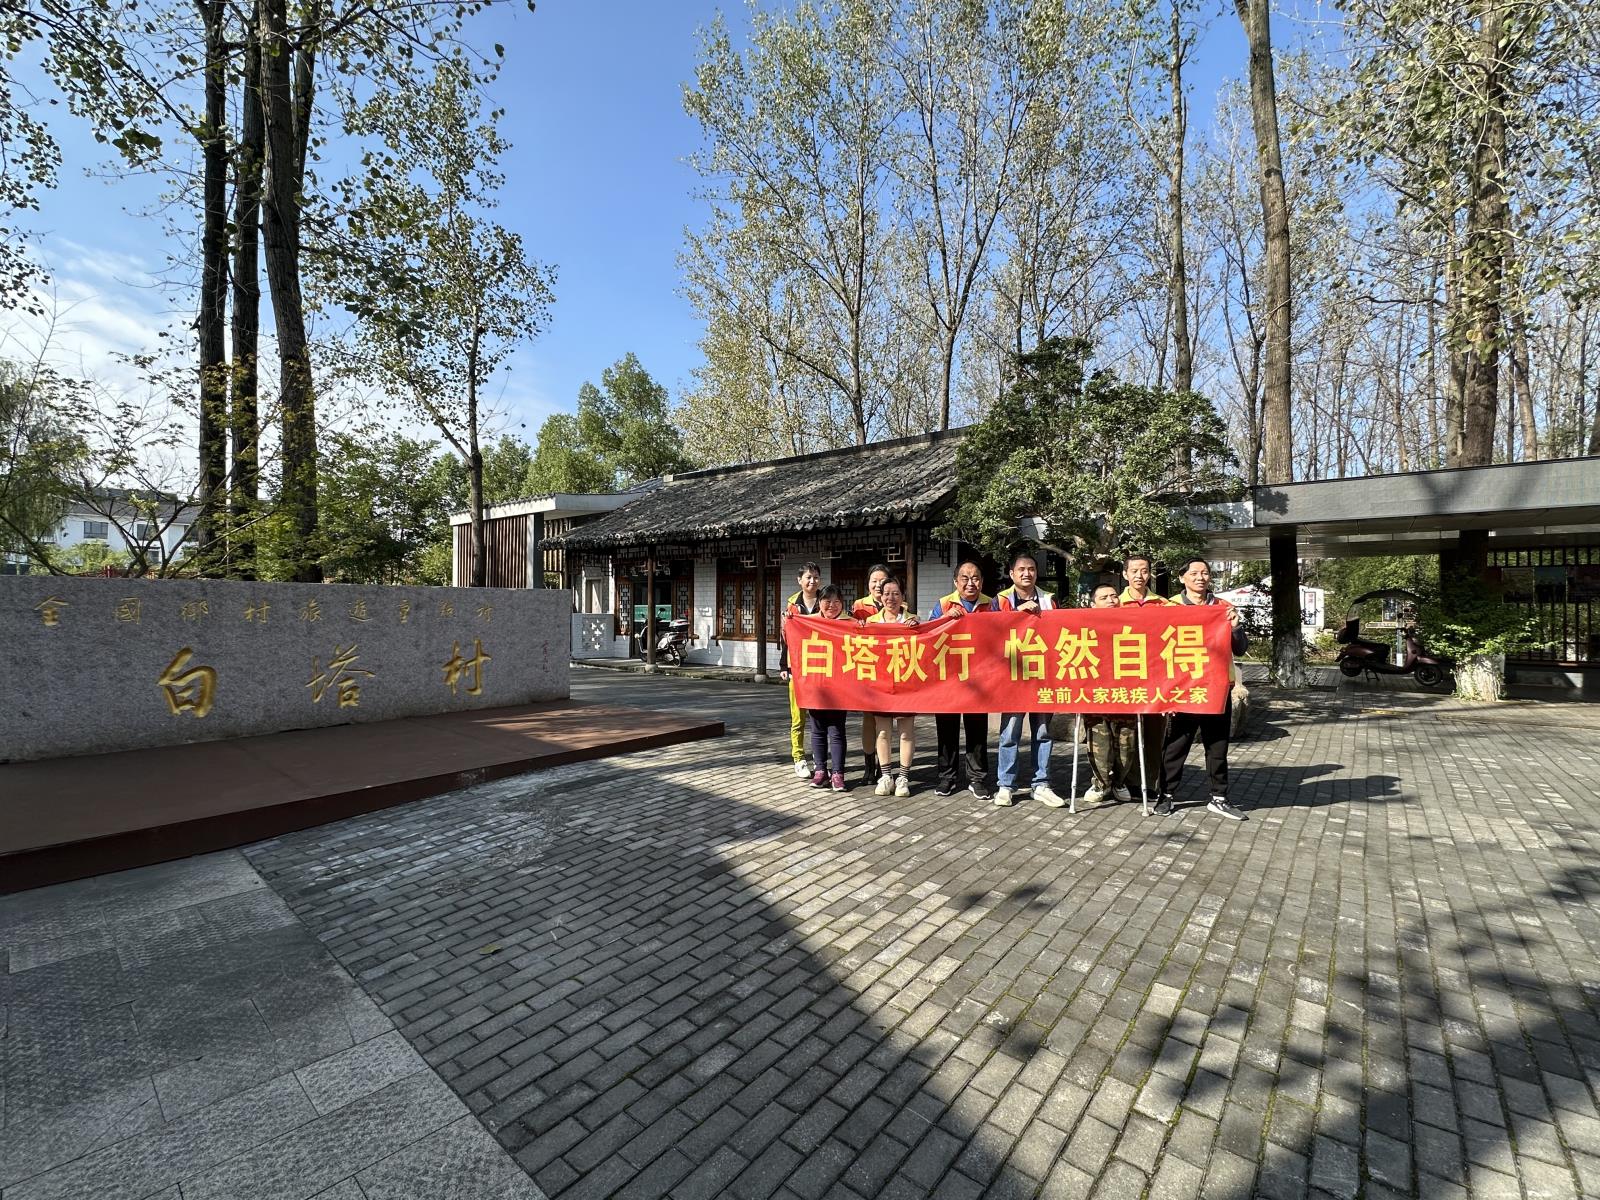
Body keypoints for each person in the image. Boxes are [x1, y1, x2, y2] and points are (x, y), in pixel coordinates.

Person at [1157, 558, 1250, 820]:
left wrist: (1235, 627)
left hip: (1217, 688)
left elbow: (1240, 648)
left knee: (1217, 746)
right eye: (1194, 573)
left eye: (1205, 573)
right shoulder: (1169, 608)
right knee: (1176, 745)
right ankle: (1166, 795)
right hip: (1182, 689)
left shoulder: (1223, 607)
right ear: (1182, 577)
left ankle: (1219, 797)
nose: (1200, 577)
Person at [992, 553, 1065, 808]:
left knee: (1043, 732)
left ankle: (1041, 784)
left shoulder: (1049, 600)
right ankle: (1005, 785)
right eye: (1021, 569)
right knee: (1010, 732)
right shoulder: (1000, 601)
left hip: (1043, 677)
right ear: (1011, 573)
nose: (1027, 573)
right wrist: (1015, 614)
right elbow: (990, 634)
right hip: (1011, 678)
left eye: (1031, 569)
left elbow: (1061, 634)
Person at [930, 561, 993, 800]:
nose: (970, 582)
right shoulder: (943, 604)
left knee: (977, 730)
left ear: (982, 581)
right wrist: (945, 618)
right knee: (946, 730)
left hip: (979, 679)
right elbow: (929, 635)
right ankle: (947, 777)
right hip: (949, 679)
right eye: (965, 578)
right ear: (956, 582)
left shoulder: (992, 604)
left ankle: (977, 779)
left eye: (975, 577)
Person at [1118, 553, 1172, 805]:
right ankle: (1125, 781)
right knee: (1126, 734)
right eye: (1134, 571)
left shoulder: (1163, 604)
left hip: (1154, 679)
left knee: (1153, 733)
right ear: (1124, 574)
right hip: (1123, 678)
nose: (1139, 576)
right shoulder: (1114, 605)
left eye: (1144, 571)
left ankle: (1150, 782)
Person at [1080, 583, 1139, 806]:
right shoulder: (1083, 627)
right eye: (1104, 597)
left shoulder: (1131, 625)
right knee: (1099, 743)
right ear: (1093, 604)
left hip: (1125, 694)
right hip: (1095, 695)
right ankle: (1100, 783)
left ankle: (1119, 782)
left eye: (1114, 596)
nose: (1111, 600)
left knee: (1126, 743)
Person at [867, 578, 918, 798]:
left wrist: (918, 628)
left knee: (906, 732)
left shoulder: (913, 620)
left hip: (907, 683)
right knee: (883, 731)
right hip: (881, 684)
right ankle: (886, 776)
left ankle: (904, 777)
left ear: (902, 596)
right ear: (880, 596)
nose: (891, 598)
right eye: (886, 593)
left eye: (895, 593)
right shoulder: (871, 621)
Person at [779, 562, 823, 779]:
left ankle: (819, 757)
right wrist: (783, 666)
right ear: (800, 580)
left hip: (821, 666)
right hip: (797, 668)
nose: (812, 581)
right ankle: (798, 758)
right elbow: (787, 638)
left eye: (815, 577)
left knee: (819, 715)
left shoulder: (826, 602)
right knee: (798, 718)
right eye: (808, 577)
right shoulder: (792, 606)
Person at [807, 585, 853, 791]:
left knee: (836, 730)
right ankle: (820, 771)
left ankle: (838, 773)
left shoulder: (849, 624)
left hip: (840, 686)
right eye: (827, 601)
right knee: (817, 729)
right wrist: (787, 622)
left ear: (842, 603)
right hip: (815, 684)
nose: (831, 605)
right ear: (819, 603)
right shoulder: (809, 623)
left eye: (836, 601)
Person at [852, 564, 892, 786]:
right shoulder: (859, 606)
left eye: (882, 580)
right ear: (867, 584)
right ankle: (869, 764)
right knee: (869, 718)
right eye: (874, 581)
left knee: (885, 720)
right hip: (868, 668)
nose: (878, 585)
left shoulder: (899, 603)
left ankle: (883, 765)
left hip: (891, 668)